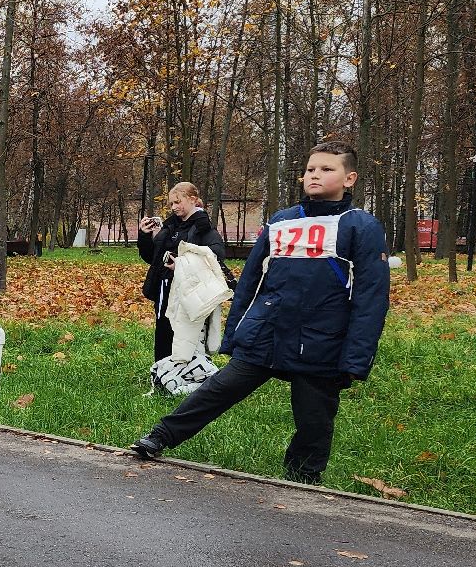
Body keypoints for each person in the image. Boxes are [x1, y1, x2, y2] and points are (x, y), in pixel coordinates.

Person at [132, 143, 388, 485]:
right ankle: (161, 436)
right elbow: (251, 279)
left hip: (321, 342)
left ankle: (303, 477)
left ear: (350, 178)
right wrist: (236, 333)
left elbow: (372, 298)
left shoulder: (361, 227)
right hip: (265, 333)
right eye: (311, 168)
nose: (315, 174)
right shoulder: (282, 221)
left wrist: (356, 359)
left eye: (327, 169)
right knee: (217, 390)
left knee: (314, 417)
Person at [138, 182, 230, 363]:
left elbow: (215, 256)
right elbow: (152, 258)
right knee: (164, 330)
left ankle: (188, 372)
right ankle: (163, 372)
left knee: (186, 332)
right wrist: (145, 235)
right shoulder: (170, 226)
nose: (174, 207)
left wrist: (180, 265)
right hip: (164, 287)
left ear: (192, 200)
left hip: (188, 290)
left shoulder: (204, 228)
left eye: (178, 202)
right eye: (171, 203)